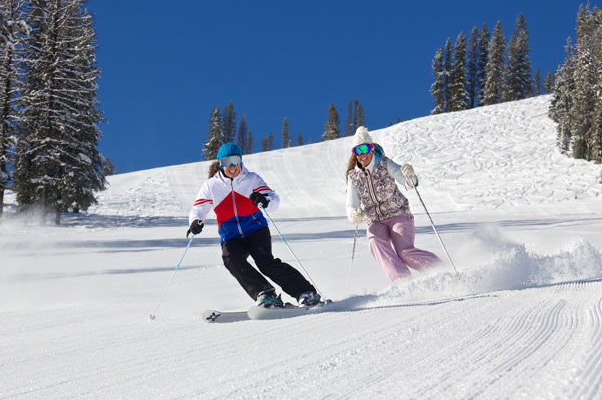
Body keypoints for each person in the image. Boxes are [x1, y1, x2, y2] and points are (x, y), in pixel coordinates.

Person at [187, 142, 320, 308]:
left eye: (236, 161)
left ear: (241, 161)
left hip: (256, 229)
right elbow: (199, 208)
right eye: (227, 162)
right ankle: (265, 293)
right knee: (230, 259)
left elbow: (274, 201)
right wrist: (195, 221)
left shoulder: (252, 179)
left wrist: (264, 200)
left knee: (265, 262)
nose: (232, 166)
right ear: (220, 163)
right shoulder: (211, 186)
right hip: (231, 235)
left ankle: (306, 292)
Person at [345, 126, 441, 282]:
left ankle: (440, 269)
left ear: (371, 148)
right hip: (375, 220)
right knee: (375, 241)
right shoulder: (353, 176)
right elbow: (351, 204)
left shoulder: (384, 163)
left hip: (398, 214)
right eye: (357, 150)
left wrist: (410, 176)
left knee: (405, 252)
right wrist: (353, 214)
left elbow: (407, 182)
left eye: (364, 148)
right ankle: (402, 280)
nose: (362, 154)